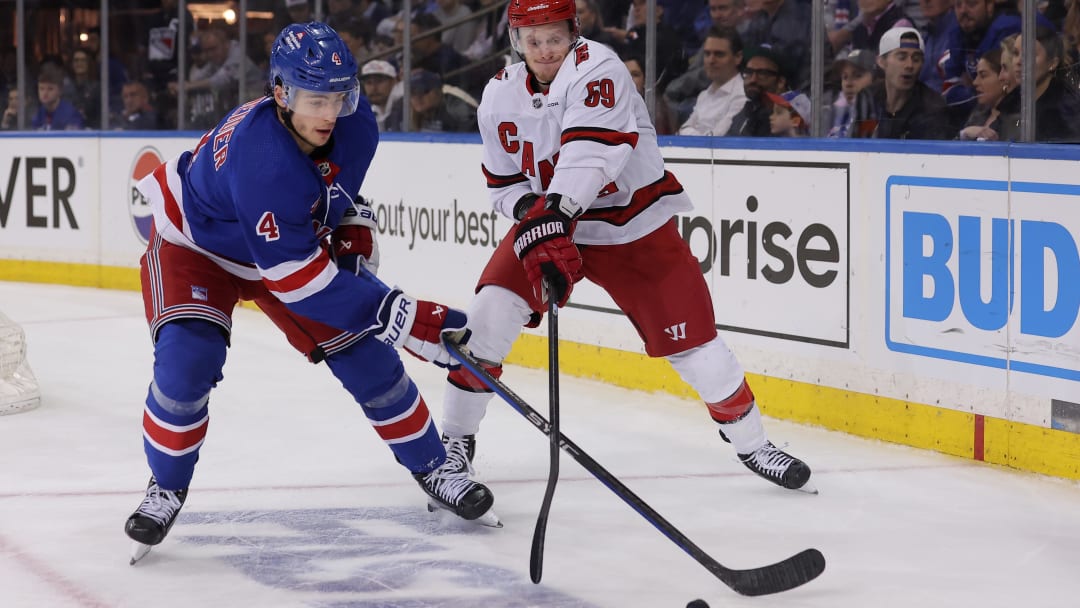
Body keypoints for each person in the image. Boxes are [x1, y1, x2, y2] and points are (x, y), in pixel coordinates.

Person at [123, 21, 497, 561]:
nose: (329, 113)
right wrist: (402, 314)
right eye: (313, 98)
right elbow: (298, 283)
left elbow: (333, 193)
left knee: (369, 361)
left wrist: (349, 222)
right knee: (186, 365)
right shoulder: (261, 158)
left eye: (339, 96)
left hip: (281, 244)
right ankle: (166, 485)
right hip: (197, 246)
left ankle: (435, 467)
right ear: (281, 92)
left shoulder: (356, 122)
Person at [436, 0, 814, 517]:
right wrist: (532, 212)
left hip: (629, 223)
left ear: (573, 31)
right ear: (515, 42)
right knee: (487, 319)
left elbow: (591, 153)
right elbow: (503, 184)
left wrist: (552, 214)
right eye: (533, 40)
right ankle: (454, 446)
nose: (546, 50)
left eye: (555, 37)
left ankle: (752, 443)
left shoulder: (600, 68)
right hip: (553, 222)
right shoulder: (499, 93)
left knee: (696, 345)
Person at [851, 27, 952, 138]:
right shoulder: (868, 97)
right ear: (881, 62)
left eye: (916, 59)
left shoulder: (933, 108)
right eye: (901, 57)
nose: (909, 65)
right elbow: (859, 144)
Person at [678, 25, 747, 136]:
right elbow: (682, 130)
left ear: (738, 57)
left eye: (719, 54)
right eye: (707, 54)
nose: (711, 60)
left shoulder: (742, 94)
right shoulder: (704, 95)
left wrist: (692, 134)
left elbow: (716, 140)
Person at [385, 69, 478, 132]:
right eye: (412, 93)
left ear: (437, 91)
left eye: (423, 91)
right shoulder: (404, 110)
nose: (417, 97)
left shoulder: (455, 108)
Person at [726, 44, 788, 136]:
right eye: (749, 72)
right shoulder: (743, 115)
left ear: (780, 82)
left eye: (762, 73)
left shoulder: (791, 119)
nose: (753, 79)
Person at [32, 65, 85, 131]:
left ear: (60, 91)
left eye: (50, 89)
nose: (45, 93)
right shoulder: (39, 114)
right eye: (41, 88)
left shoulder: (71, 114)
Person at [360, 59, 400, 130]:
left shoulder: (404, 105)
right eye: (369, 82)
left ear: (393, 82)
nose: (373, 88)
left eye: (379, 81)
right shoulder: (370, 110)